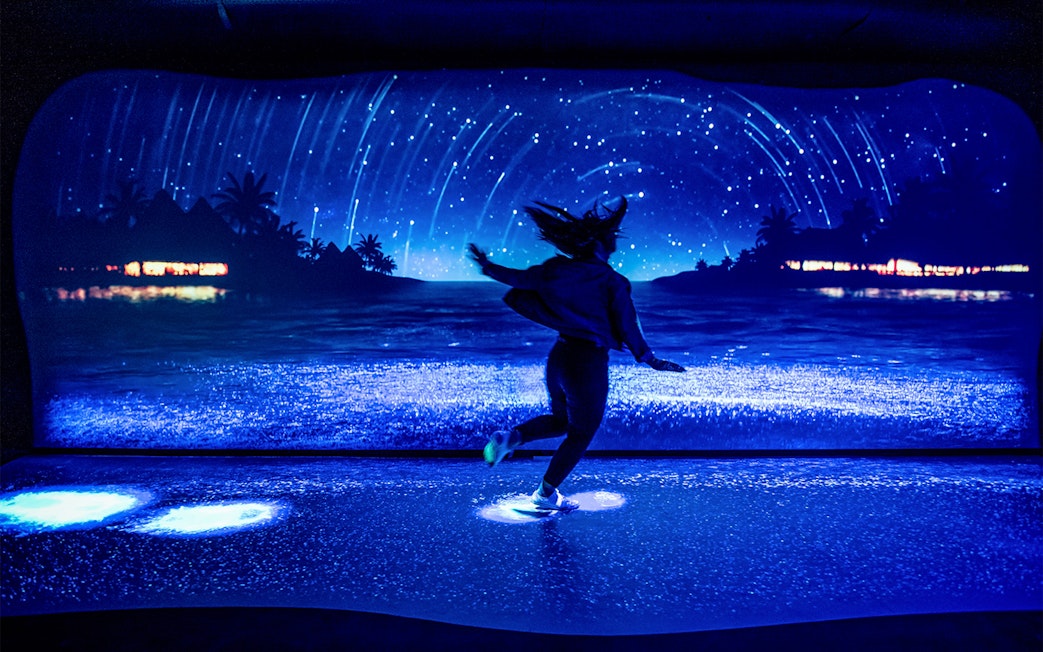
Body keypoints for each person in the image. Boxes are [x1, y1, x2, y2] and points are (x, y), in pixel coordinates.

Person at [469, 196, 685, 512]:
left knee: (562, 421)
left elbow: (520, 278)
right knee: (582, 432)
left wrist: (487, 266)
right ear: (598, 241)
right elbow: (628, 324)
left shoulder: (557, 270)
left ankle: (510, 439)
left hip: (559, 357)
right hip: (587, 364)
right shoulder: (612, 281)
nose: (615, 239)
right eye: (610, 235)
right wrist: (650, 359)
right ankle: (544, 496)